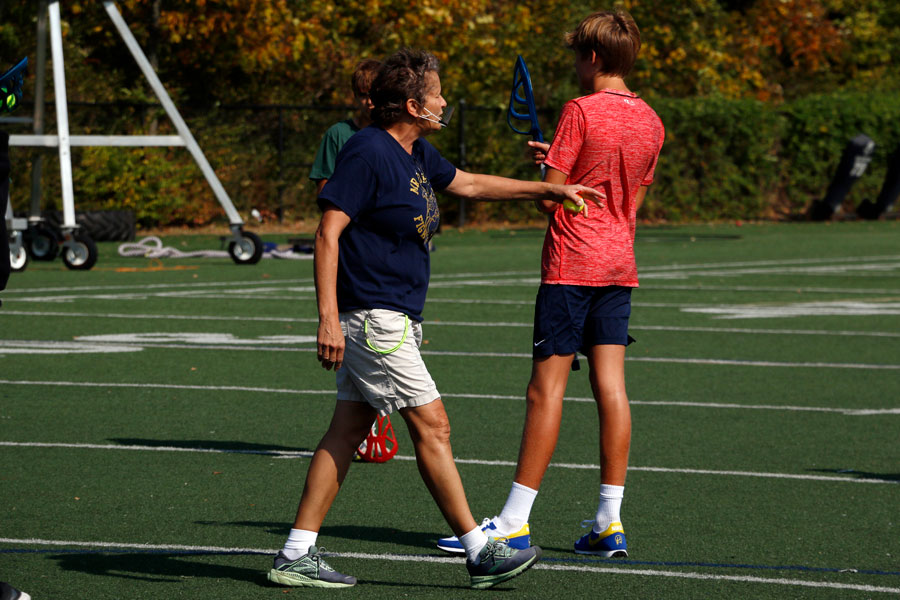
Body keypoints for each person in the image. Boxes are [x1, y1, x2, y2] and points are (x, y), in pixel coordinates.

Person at [266, 48, 602, 590]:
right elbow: (327, 233)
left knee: (347, 430)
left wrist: (550, 189)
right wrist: (327, 318)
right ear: (410, 104)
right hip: (372, 317)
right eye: (436, 93)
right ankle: (479, 549)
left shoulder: (416, 151)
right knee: (433, 424)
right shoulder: (367, 150)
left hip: (386, 316)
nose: (444, 100)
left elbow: (468, 184)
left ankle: (295, 553)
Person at [437, 10, 665, 558]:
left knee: (546, 390)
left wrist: (548, 178)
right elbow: (624, 193)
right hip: (618, 265)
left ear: (592, 58)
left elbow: (552, 198)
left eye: (575, 56)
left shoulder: (579, 110)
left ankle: (514, 521)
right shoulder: (652, 119)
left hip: (572, 266)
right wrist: (558, 167)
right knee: (612, 389)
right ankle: (610, 520)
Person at [308, 59, 381, 196]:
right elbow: (324, 189)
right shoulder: (338, 134)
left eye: (374, 94)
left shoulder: (399, 133)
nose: (370, 102)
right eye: (363, 95)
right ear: (355, 96)